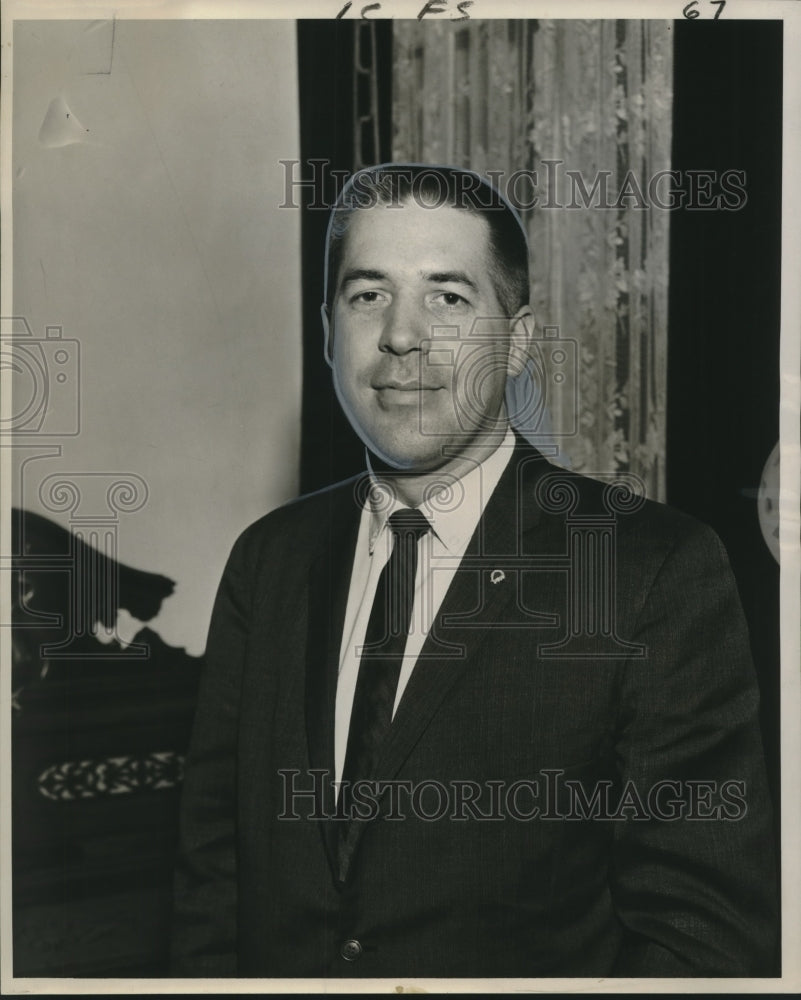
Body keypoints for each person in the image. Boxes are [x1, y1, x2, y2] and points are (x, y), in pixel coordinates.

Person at [170, 164, 778, 979]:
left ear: (518, 339)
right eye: (367, 295)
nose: (401, 335)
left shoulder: (651, 569)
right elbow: (213, 886)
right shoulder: (268, 560)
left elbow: (703, 938)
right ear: (326, 331)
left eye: (447, 297)